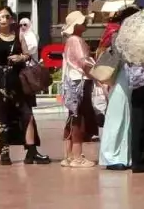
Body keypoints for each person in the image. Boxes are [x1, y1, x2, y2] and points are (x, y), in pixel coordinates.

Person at [0, 6, 48, 166]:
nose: (3, 19)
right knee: (2, 118)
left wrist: (21, 57)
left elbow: (27, 54)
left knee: (27, 115)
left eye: (6, 16)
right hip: (2, 82)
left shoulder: (18, 35)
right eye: (0, 17)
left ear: (11, 19)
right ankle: (4, 153)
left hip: (19, 80)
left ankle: (31, 152)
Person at [98, 5, 137, 171]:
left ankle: (125, 155)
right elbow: (121, 53)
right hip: (120, 77)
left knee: (128, 116)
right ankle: (110, 156)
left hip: (131, 77)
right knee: (117, 115)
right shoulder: (116, 35)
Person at [60, 11, 97, 168]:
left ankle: (69, 155)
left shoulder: (71, 40)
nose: (86, 24)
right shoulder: (76, 40)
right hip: (80, 80)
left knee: (72, 117)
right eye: (83, 22)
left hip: (72, 81)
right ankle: (77, 156)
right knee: (79, 117)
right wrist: (98, 73)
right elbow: (84, 62)